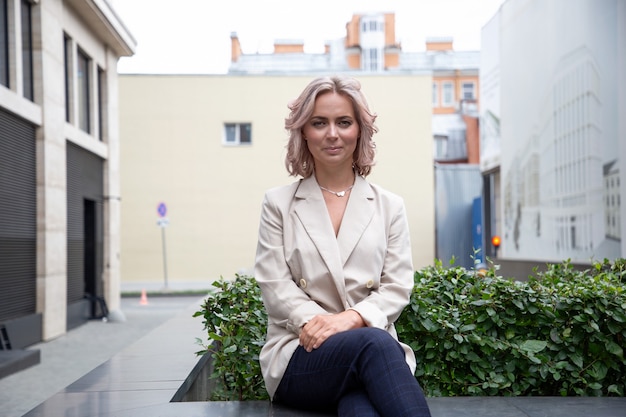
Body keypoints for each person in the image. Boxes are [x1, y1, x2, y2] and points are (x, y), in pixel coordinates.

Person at [254, 75, 431, 417]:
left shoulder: (388, 205)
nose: (332, 133)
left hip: (366, 357)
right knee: (377, 343)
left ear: (359, 130)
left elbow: (396, 286)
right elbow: (274, 284)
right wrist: (325, 325)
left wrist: (350, 319)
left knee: (360, 410)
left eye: (344, 122)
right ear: (304, 131)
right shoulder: (278, 203)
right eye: (320, 123)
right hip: (301, 352)